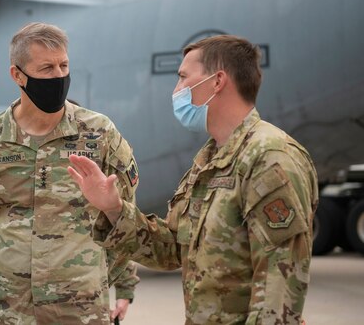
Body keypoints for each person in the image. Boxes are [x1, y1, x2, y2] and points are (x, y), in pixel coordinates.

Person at [68, 35, 318, 324]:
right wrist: (113, 208)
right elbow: (172, 249)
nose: (177, 90)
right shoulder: (210, 159)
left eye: (183, 78)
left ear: (217, 81)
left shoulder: (269, 157)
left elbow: (281, 278)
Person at [0, 22, 139, 324]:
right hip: (6, 306)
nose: (59, 76)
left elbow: (124, 213)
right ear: (17, 75)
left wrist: (123, 285)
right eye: (46, 69)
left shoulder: (98, 133)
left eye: (63, 65)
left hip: (79, 304)